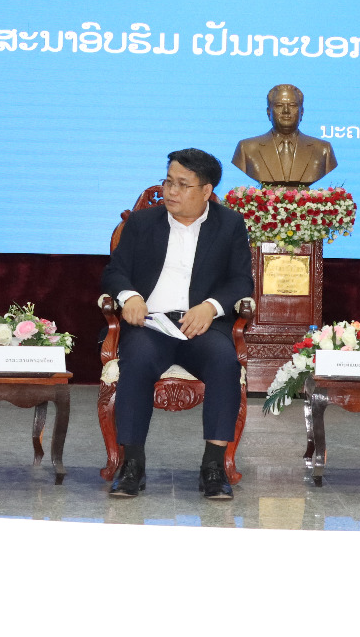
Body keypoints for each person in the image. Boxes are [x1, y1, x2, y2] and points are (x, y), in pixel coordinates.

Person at [102, 148, 254, 499]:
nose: (171, 191)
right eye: (168, 181)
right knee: (136, 359)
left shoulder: (230, 224)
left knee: (225, 361)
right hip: (151, 325)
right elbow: (115, 271)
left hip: (200, 326)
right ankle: (132, 465)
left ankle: (213, 467)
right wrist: (130, 296)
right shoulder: (142, 223)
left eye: (182, 185)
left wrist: (211, 308)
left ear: (206, 190)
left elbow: (240, 281)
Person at [230, 84, 338, 187]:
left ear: (302, 112)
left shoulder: (323, 150)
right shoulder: (246, 148)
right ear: (268, 112)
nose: (286, 111)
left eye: (292, 105)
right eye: (279, 105)